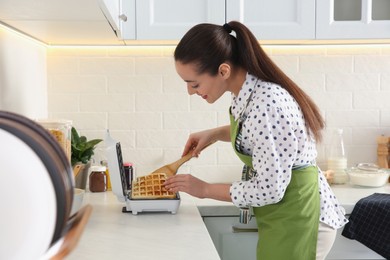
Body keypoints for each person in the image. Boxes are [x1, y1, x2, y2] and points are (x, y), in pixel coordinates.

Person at [163, 21, 348, 260]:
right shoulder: (250, 93)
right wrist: (215, 134)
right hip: (287, 216)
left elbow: (269, 189)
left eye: (194, 84)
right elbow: (259, 134)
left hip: (302, 219)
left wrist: (205, 189)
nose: (190, 92)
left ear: (223, 71)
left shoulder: (266, 104)